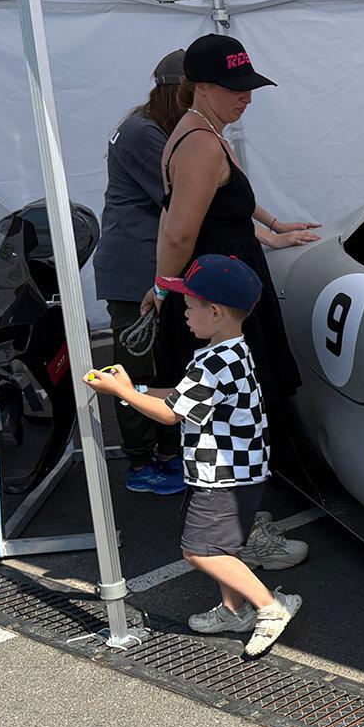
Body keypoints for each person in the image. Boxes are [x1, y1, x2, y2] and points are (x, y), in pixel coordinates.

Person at [148, 33, 315, 570]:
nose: (246, 96)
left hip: (219, 289)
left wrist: (272, 230)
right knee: (233, 416)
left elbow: (221, 209)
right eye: (234, 87)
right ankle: (241, 535)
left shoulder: (200, 130)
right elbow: (178, 230)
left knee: (235, 411)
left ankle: (238, 529)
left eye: (249, 86)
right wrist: (165, 288)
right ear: (201, 86)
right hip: (217, 302)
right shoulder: (200, 142)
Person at [85, 255, 303, 658]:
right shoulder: (232, 351)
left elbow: (171, 414)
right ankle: (233, 610)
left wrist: (122, 393)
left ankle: (271, 606)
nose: (183, 314)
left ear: (214, 312)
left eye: (189, 306)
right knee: (223, 548)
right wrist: (135, 389)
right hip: (242, 472)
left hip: (223, 477)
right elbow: (182, 399)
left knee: (199, 551)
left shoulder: (212, 362)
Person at [94, 49, 186, 496]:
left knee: (164, 361)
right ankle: (141, 460)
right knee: (136, 366)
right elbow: (183, 198)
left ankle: (167, 452)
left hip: (145, 264)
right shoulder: (144, 133)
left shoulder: (145, 126)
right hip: (136, 268)